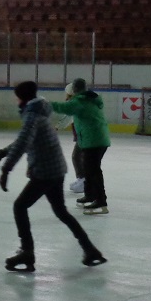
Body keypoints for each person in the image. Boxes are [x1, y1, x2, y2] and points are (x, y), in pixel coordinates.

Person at [0, 81, 107, 272]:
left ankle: (27, 252)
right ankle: (90, 249)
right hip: (55, 169)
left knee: (20, 206)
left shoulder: (32, 115)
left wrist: (6, 170)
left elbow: (23, 142)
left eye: (17, 97)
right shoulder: (38, 111)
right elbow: (25, 139)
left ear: (22, 98)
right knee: (61, 212)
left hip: (45, 172)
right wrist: (3, 152)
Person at [50, 78, 111, 215]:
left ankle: (101, 201)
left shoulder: (80, 101)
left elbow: (63, 108)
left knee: (93, 171)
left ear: (74, 90)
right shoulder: (88, 99)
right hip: (95, 139)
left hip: (93, 140)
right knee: (89, 169)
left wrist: (45, 104)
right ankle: (90, 195)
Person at [53, 83, 85, 193]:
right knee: (80, 157)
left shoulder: (74, 103)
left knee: (77, 157)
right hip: (85, 134)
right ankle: (82, 180)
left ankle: (83, 181)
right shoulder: (81, 101)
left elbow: (67, 117)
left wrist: (56, 127)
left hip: (85, 135)